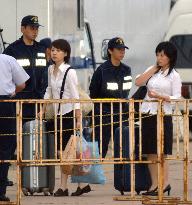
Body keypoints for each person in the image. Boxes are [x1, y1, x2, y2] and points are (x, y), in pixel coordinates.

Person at [42, 39, 90, 196]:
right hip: (57, 115)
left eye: (58, 50)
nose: (54, 53)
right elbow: (49, 91)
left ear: (66, 54)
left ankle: (63, 187)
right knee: (67, 153)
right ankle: (81, 185)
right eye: (53, 50)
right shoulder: (51, 70)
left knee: (65, 152)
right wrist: (42, 110)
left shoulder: (70, 72)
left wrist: (77, 119)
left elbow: (76, 96)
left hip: (69, 115)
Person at [135, 41, 182, 196]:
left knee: (161, 151)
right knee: (150, 151)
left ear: (170, 57)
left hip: (163, 114)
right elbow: (138, 82)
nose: (159, 58)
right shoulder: (152, 70)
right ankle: (154, 184)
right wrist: (153, 69)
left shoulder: (174, 75)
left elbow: (176, 97)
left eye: (162, 55)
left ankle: (164, 182)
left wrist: (160, 96)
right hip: (148, 113)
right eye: (157, 54)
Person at [89, 37, 132, 158]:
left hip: (122, 113)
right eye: (119, 49)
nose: (122, 52)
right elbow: (93, 92)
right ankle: (96, 174)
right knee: (100, 148)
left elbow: (126, 90)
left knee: (123, 149)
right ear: (110, 51)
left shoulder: (126, 70)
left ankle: (123, 176)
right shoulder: (102, 70)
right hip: (104, 114)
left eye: (123, 49)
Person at [3, 15, 48, 122]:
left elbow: (46, 73)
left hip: (38, 102)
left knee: (37, 135)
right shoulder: (13, 50)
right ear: (22, 29)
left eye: (37, 28)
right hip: (19, 102)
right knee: (19, 135)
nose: (35, 31)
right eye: (32, 28)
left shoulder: (41, 49)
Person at [0, 54, 29, 201]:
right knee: (5, 148)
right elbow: (22, 84)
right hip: (5, 104)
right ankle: (0, 191)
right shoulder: (8, 59)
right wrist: (14, 92)